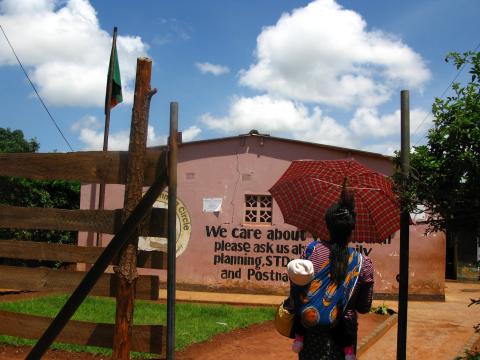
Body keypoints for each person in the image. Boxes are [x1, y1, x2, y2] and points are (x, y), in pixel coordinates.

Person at [289, 187, 375, 360]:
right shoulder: (362, 263)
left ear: (327, 226)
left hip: (309, 331)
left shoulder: (310, 252)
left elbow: (296, 287)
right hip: (342, 337)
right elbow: (364, 307)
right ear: (351, 230)